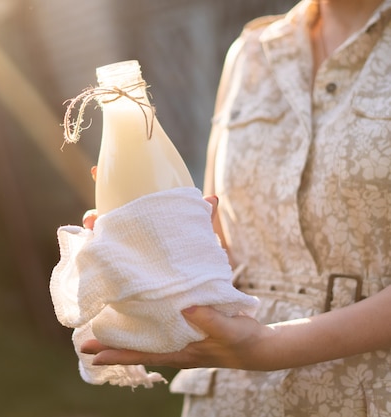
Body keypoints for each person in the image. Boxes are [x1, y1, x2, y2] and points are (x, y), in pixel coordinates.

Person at [80, 0, 391, 415]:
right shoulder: (251, 51)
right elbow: (221, 237)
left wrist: (270, 346)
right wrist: (153, 249)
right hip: (234, 397)